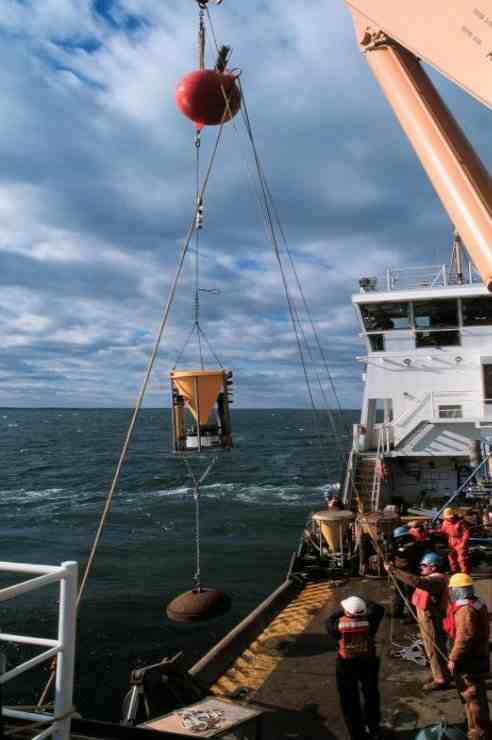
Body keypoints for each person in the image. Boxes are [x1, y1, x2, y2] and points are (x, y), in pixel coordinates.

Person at [385, 552, 450, 691]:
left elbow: (417, 582)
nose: (421, 568)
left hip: (431, 619)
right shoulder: (432, 578)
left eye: (424, 565)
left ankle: (441, 679)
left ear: (433, 567)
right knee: (430, 648)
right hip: (426, 617)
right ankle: (440, 673)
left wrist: (394, 571)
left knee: (433, 649)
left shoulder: (436, 581)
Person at [327, 595, 385, 740]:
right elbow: (379, 608)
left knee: (348, 699)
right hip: (368, 662)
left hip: (347, 664)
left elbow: (329, 621)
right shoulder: (370, 622)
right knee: (371, 694)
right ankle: (374, 727)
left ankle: (356, 733)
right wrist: (363, 603)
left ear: (347, 612)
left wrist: (343, 612)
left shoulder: (337, 626)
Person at [444, 573, 490, 740]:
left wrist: (453, 658)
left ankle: (478, 732)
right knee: (476, 695)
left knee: (472, 695)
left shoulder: (465, 610)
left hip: (470, 659)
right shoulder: (476, 602)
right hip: (478, 655)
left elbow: (464, 638)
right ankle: (475, 726)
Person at [388, 525, 429, 622]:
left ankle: (412, 616)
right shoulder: (401, 545)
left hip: (409, 574)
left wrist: (394, 551)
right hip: (399, 573)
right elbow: (395, 553)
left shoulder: (412, 545)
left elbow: (401, 554)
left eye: (398, 538)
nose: (398, 540)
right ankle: (397, 611)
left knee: (410, 594)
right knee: (398, 592)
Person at [439, 507, 470, 574]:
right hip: (451, 541)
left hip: (460, 540)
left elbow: (466, 533)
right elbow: (443, 531)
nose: (450, 518)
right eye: (448, 517)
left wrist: (463, 543)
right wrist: (436, 532)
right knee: (451, 557)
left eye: (451, 517)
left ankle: (465, 573)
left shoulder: (460, 522)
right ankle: (454, 571)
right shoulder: (445, 522)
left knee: (462, 559)